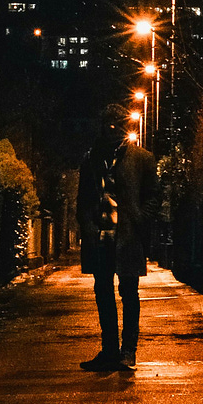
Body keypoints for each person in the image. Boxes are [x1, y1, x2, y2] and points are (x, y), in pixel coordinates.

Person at [77, 103, 159, 373]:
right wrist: (88, 226)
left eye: (117, 124)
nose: (112, 129)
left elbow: (153, 196)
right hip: (100, 237)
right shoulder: (91, 159)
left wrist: (139, 219)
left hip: (127, 236)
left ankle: (127, 351)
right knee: (103, 293)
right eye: (108, 124)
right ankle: (110, 350)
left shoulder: (141, 158)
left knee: (128, 293)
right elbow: (84, 198)